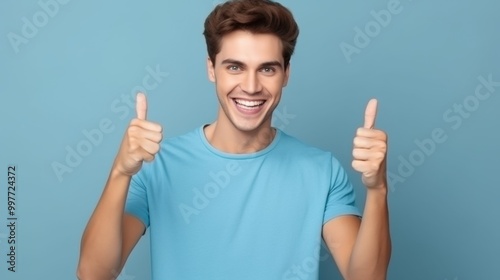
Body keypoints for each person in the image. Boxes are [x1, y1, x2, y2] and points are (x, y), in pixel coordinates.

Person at [77, 0, 391, 279]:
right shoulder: (158, 166)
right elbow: (94, 273)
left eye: (267, 69)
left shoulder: (321, 170)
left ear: (286, 74)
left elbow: (366, 276)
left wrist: (377, 190)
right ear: (211, 69)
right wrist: (121, 171)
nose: (251, 86)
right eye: (235, 67)